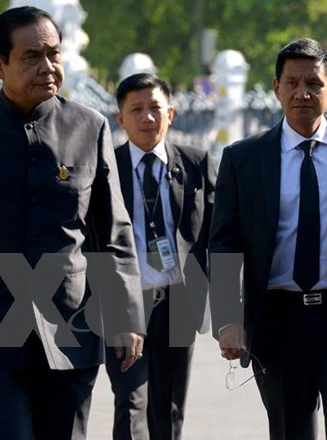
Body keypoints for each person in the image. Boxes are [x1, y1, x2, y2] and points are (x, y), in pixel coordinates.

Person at [0, 6, 145, 440]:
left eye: (54, 54)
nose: (48, 67)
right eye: (31, 57)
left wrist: (126, 315)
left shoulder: (90, 126)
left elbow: (113, 232)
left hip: (72, 323)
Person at [210, 38, 327, 440]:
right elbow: (224, 243)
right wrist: (229, 320)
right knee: (291, 431)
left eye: (314, 84)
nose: (303, 92)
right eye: (293, 83)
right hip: (278, 320)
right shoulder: (243, 159)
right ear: (276, 88)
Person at [107, 73, 215, 440]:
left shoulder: (196, 163)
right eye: (135, 110)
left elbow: (219, 234)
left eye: (155, 108)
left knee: (169, 411)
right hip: (125, 302)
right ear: (120, 120)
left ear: (171, 112)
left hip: (178, 301)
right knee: (131, 403)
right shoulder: (106, 168)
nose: (147, 117)